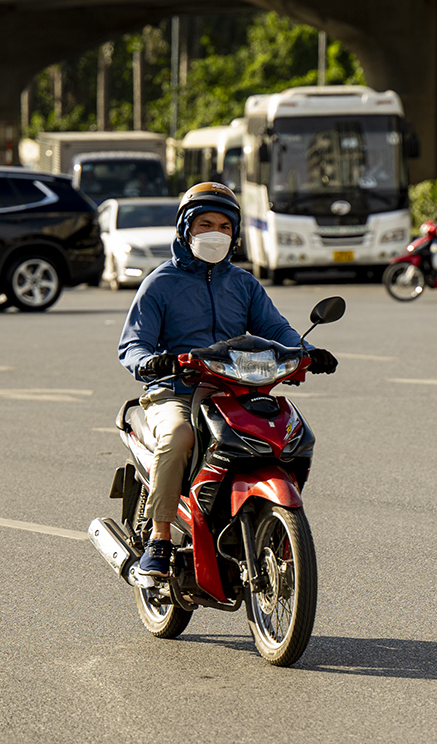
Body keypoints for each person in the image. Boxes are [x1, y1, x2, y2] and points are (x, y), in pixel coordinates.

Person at [117, 182, 338, 579]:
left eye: (223, 225)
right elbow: (132, 345)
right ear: (186, 229)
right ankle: (161, 539)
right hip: (177, 393)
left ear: (234, 234)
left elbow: (276, 328)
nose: (214, 233)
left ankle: (269, 520)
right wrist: (151, 363)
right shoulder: (160, 283)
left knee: (290, 435)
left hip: (235, 393)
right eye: (205, 224)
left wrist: (305, 354)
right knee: (180, 437)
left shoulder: (244, 284)